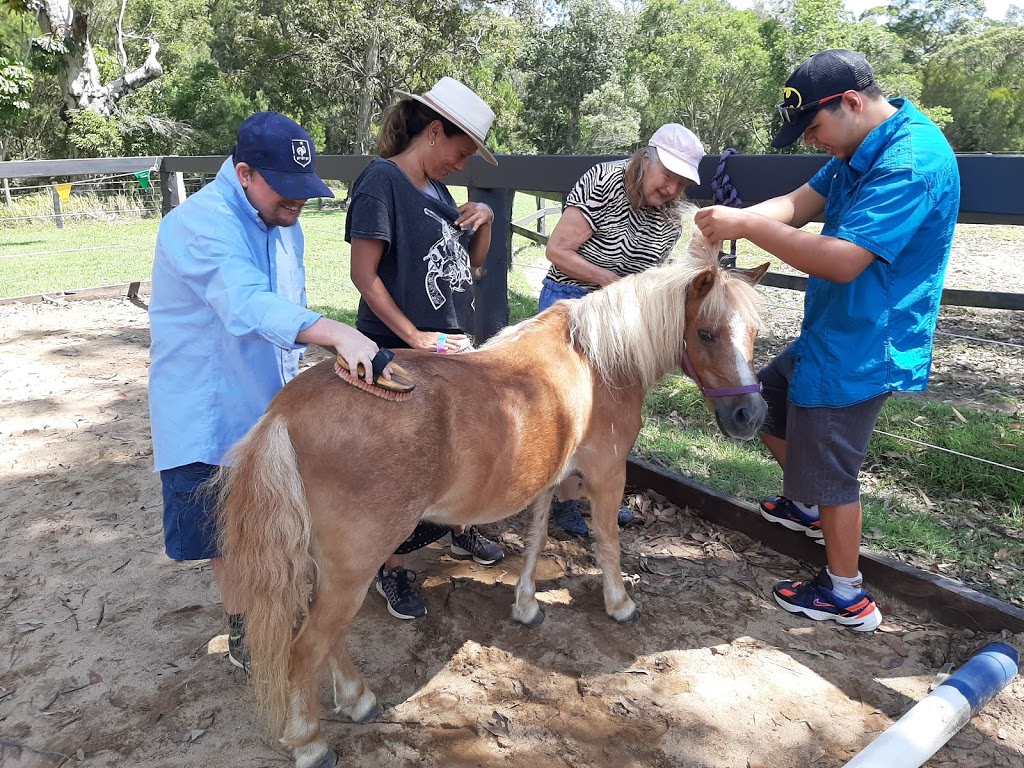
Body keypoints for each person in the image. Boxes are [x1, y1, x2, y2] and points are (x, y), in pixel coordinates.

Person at [695, 49, 960, 632]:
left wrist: (749, 226)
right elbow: (794, 205)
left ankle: (847, 594)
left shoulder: (910, 159)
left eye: (814, 127)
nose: (813, 141)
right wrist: (731, 221)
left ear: (851, 103)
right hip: (831, 332)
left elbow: (842, 262)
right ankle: (807, 501)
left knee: (835, 467)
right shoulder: (852, 152)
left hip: (865, 344)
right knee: (761, 400)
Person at [149, 112, 381, 670]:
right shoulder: (199, 223)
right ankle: (244, 630)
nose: (297, 203)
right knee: (225, 530)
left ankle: (274, 608)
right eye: (287, 190)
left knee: (273, 518)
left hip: (268, 400)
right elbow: (247, 303)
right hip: (205, 406)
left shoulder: (281, 218)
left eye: (305, 191)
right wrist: (338, 333)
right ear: (245, 172)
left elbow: (284, 304)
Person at [345, 76, 506, 621]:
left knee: (455, 451)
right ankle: (388, 567)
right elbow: (363, 274)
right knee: (398, 469)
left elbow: (473, 264)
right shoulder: (380, 182)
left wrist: (484, 219)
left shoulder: (436, 192)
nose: (461, 166)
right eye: (459, 153)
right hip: (399, 348)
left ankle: (460, 527)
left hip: (447, 347)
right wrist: (414, 337)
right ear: (434, 132)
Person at [540, 122, 706, 536]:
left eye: (682, 183)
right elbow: (558, 251)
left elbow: (652, 278)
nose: (671, 189)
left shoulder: (670, 218)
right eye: (667, 175)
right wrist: (610, 282)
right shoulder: (602, 180)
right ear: (646, 159)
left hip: (624, 313)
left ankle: (595, 494)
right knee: (573, 405)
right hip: (572, 297)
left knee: (614, 409)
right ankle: (562, 500)